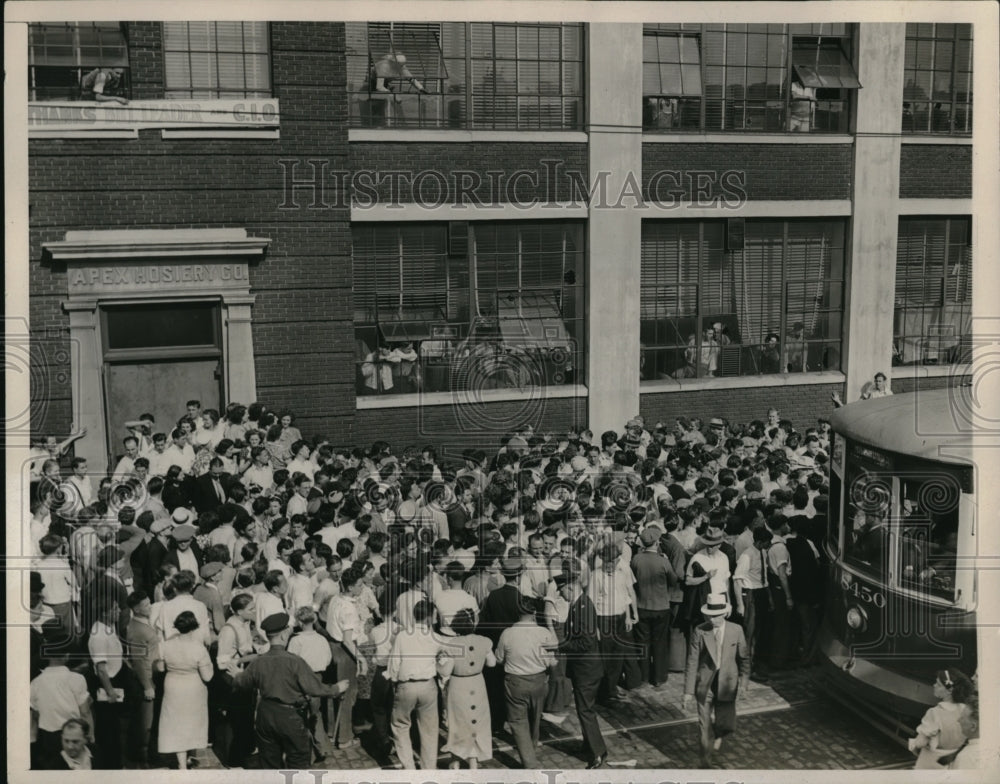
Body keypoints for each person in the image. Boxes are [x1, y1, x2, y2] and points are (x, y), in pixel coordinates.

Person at [234, 612, 350, 769]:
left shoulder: (258, 662)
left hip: (265, 715)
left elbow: (241, 683)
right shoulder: (295, 662)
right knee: (298, 763)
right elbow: (314, 688)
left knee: (269, 764)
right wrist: (337, 688)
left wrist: (236, 674)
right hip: (290, 717)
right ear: (283, 635)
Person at [682, 593, 750, 767]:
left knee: (727, 724)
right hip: (705, 685)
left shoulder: (736, 630)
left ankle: (719, 734)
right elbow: (692, 661)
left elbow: (744, 659)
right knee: (704, 726)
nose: (713, 620)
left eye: (717, 616)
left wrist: (743, 684)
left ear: (725, 613)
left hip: (727, 684)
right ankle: (705, 762)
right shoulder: (700, 631)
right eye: (710, 616)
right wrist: (688, 692)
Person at [494, 595, 557, 769]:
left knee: (518, 722)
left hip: (515, 682)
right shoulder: (543, 633)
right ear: (534, 613)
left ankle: (529, 762)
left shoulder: (507, 634)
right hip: (539, 681)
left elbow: (499, 659)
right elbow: (552, 662)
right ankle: (532, 746)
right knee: (535, 718)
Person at [554, 565, 608, 769]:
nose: (561, 595)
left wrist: (560, 645)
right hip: (584, 669)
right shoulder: (578, 605)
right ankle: (589, 746)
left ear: (569, 587)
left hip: (587, 670)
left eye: (562, 591)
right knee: (583, 709)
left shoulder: (583, 607)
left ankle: (597, 753)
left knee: (586, 711)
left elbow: (586, 642)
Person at [386, 598, 450, 770]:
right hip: (428, 686)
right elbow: (444, 661)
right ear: (429, 617)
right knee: (429, 730)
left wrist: (394, 682)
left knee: (400, 726)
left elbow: (394, 664)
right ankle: (429, 769)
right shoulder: (437, 638)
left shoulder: (402, 636)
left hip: (406, 685)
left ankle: (409, 768)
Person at [155, 610, 214, 769]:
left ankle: (182, 763)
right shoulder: (199, 648)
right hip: (193, 687)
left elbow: (160, 668)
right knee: (191, 722)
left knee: (175, 723)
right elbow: (208, 676)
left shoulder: (165, 645)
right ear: (194, 628)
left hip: (173, 685)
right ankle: (189, 757)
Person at [441, 608, 495, 769]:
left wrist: (437, 664)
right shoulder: (484, 641)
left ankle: (455, 761)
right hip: (477, 683)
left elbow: (445, 671)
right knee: (476, 722)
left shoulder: (451, 644)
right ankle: (473, 762)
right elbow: (491, 663)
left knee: (458, 723)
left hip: (458, 685)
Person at [631, 524, 678, 688]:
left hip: (641, 606)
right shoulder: (663, 561)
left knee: (643, 642)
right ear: (657, 543)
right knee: (660, 643)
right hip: (661, 607)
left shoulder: (636, 559)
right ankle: (659, 677)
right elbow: (673, 581)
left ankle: (643, 676)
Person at [907, 668, 975, 769]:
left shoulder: (935, 713)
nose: (934, 685)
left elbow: (921, 743)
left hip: (932, 762)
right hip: (953, 761)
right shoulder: (964, 709)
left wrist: (914, 746)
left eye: (938, 684)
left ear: (949, 690)